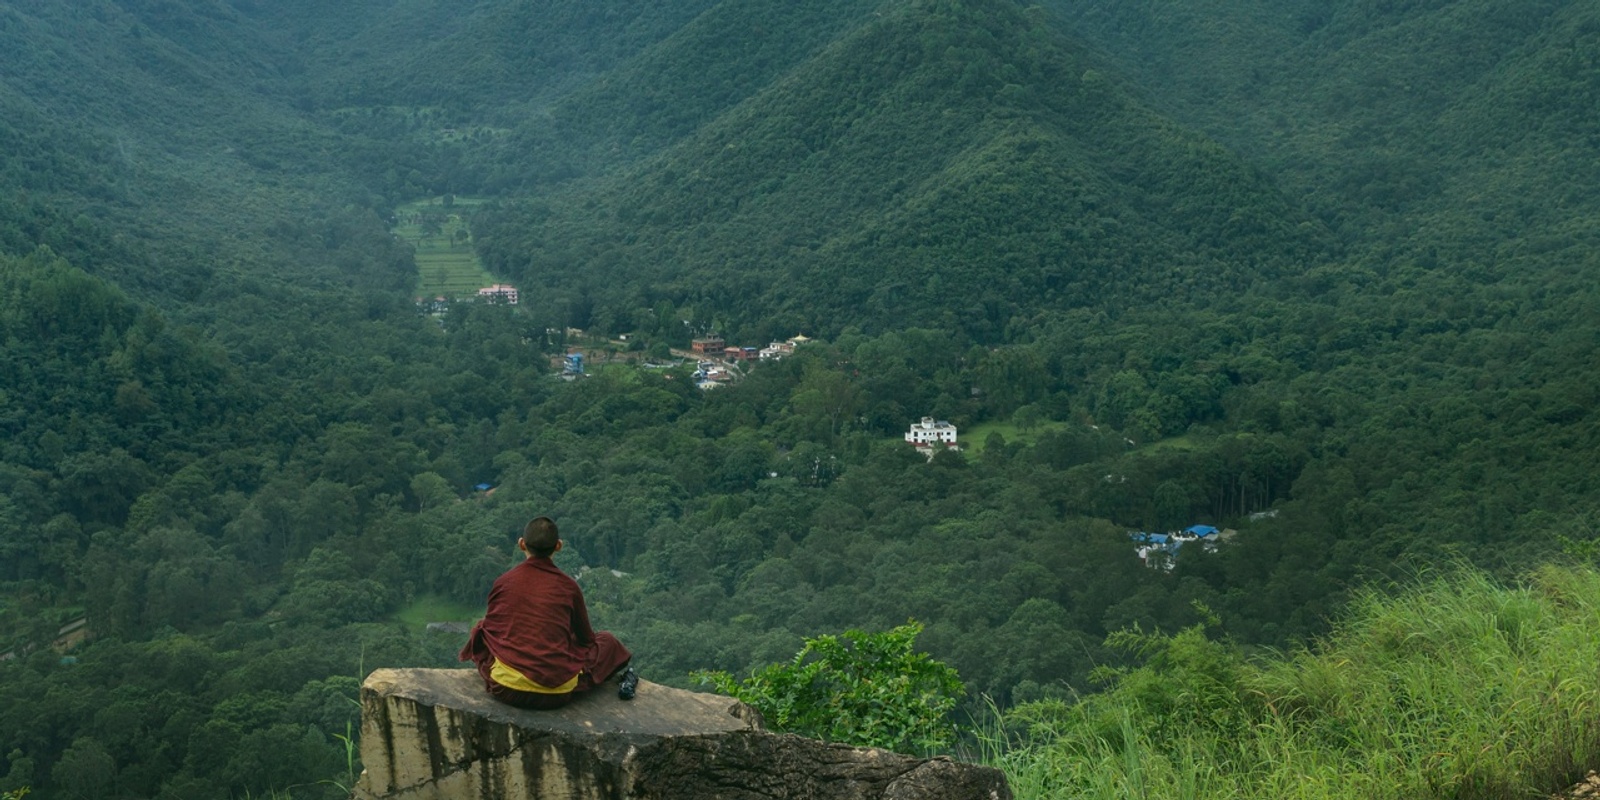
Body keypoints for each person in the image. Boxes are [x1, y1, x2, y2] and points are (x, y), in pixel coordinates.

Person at [459, 516, 638, 708]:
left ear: (521, 544)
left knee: (481, 629)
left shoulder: (504, 582)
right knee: (608, 641)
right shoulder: (569, 587)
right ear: (558, 546)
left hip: (505, 689)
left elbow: (492, 631)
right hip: (556, 696)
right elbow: (587, 640)